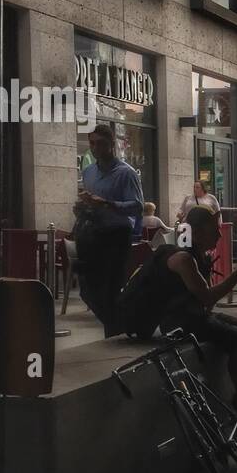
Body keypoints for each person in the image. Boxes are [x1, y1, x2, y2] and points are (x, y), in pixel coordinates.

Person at [121, 206, 237, 417]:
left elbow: (206, 304)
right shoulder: (183, 259)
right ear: (197, 232)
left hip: (194, 313)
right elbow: (207, 297)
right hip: (178, 321)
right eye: (213, 230)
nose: (218, 234)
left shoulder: (198, 255)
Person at [75, 123, 144, 337]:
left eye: (101, 143)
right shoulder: (88, 173)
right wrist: (81, 209)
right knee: (87, 289)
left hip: (116, 236)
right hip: (92, 234)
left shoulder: (126, 173)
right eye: (92, 143)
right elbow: (90, 203)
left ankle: (115, 331)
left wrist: (107, 203)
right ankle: (122, 325)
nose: (95, 148)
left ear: (111, 145)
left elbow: (138, 206)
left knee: (111, 289)